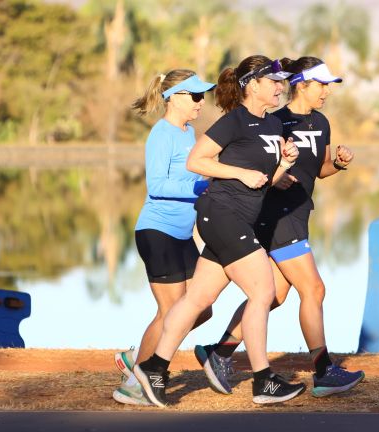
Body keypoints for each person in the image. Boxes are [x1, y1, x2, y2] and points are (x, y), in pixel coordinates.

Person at [133, 55, 306, 407]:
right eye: (272, 81)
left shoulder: (273, 125)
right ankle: (263, 380)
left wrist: (284, 163)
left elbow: (263, 182)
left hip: (237, 217)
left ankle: (154, 367)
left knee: (198, 299)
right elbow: (197, 162)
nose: (279, 87)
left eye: (280, 81)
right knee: (263, 292)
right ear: (252, 85)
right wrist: (239, 174)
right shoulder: (234, 122)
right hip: (221, 214)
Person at [194, 56, 365, 399]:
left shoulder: (321, 122)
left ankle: (220, 351)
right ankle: (323, 371)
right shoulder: (277, 121)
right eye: (321, 85)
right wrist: (270, 177)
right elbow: (255, 163)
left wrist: (339, 164)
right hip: (276, 217)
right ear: (301, 84)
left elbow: (318, 171)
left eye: (329, 86)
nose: (326, 92)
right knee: (314, 290)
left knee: (275, 294)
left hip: (300, 214)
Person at [111, 70, 216, 406]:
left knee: (201, 310)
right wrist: (200, 186)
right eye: (196, 96)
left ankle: (134, 360)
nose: (202, 102)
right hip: (157, 232)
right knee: (171, 311)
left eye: (203, 96)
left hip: (182, 235)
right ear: (176, 97)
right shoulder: (162, 134)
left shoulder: (189, 134)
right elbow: (157, 186)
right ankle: (135, 382)